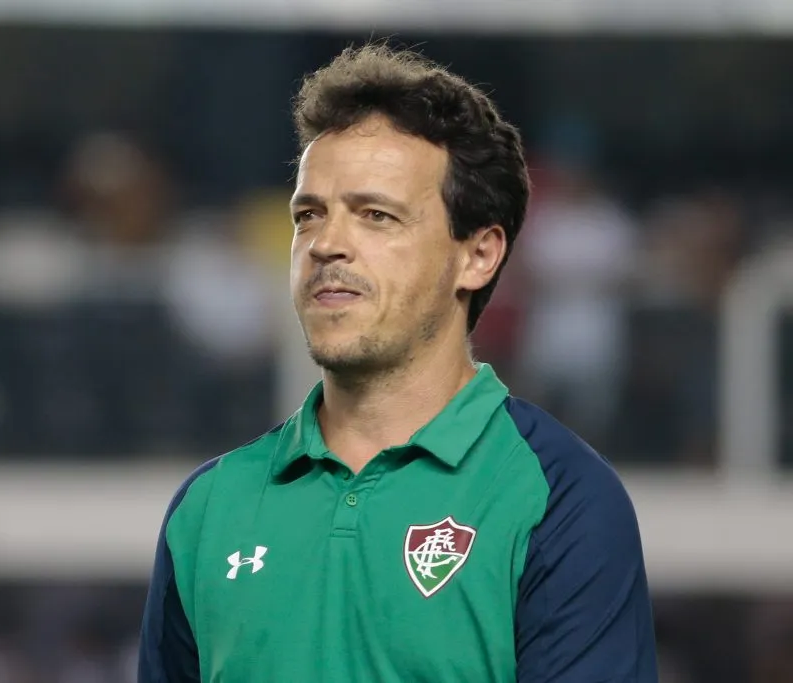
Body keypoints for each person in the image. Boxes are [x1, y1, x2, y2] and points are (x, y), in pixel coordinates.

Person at [138, 44, 658, 682]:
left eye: (375, 215)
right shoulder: (209, 507)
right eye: (309, 215)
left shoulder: (560, 498)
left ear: (479, 255)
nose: (327, 243)